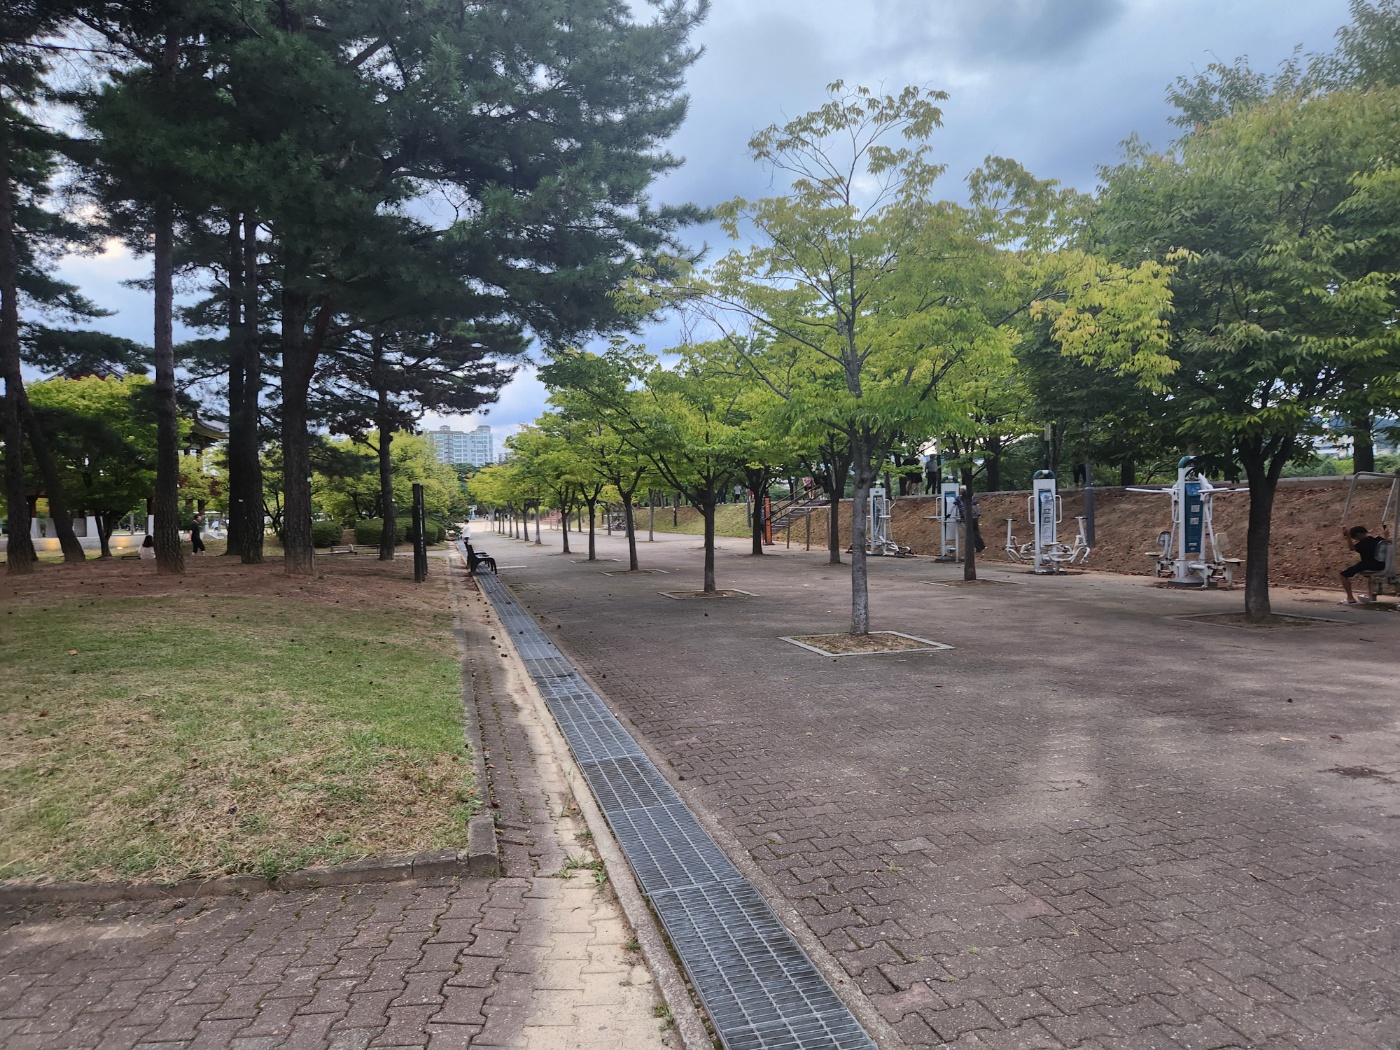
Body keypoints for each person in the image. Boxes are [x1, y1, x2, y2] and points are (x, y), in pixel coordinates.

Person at [1340, 524, 1385, 604]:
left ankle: (1350, 598)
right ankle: (1371, 595)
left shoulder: (1364, 542)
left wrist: (1348, 536)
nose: (1356, 540)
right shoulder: (1379, 539)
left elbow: (1352, 548)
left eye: (1355, 538)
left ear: (1358, 535)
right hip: (1382, 564)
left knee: (1343, 575)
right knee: (1369, 575)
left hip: (1368, 564)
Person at [952, 487, 985, 553]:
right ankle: (982, 546)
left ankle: (978, 547)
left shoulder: (959, 498)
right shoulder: (971, 498)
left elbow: (953, 506)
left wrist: (950, 514)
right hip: (975, 517)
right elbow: (977, 506)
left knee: (971, 532)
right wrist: (977, 513)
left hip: (966, 517)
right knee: (976, 531)